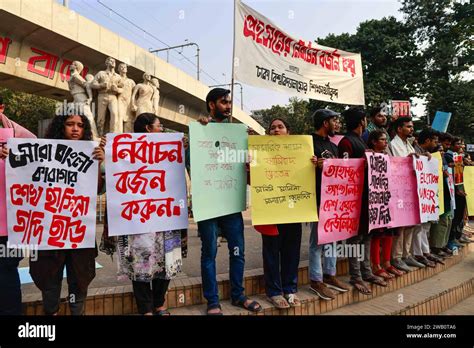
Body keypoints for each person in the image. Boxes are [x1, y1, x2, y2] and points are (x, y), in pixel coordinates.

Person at [20, 112, 104, 315]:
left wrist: (101, 163)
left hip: (78, 230)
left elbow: (97, 189)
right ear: (61, 126)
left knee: (79, 281)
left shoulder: (91, 154)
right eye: (70, 124)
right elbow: (24, 178)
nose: (75, 128)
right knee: (49, 281)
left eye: (80, 125)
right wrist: (10, 157)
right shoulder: (41, 153)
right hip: (50, 232)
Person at [194, 88, 262, 315]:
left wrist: (251, 158)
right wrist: (199, 134)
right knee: (209, 253)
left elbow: (250, 166)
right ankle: (212, 302)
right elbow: (190, 162)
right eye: (224, 102)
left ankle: (238, 295)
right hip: (209, 206)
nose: (228, 106)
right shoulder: (200, 131)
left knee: (237, 252)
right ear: (211, 105)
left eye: (229, 102)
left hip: (231, 205)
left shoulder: (237, 135)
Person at [115, 113, 184, 316]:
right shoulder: (124, 150)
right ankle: (145, 308)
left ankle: (159, 303)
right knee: (140, 263)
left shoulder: (168, 149)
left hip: (164, 217)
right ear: (147, 129)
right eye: (159, 126)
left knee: (166, 260)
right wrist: (106, 154)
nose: (162, 129)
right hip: (139, 219)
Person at [252, 118, 303, 309]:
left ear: (288, 132)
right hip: (271, 212)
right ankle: (274, 291)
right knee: (271, 253)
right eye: (272, 128)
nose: (276, 130)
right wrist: (251, 166)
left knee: (291, 252)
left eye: (280, 127)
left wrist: (313, 163)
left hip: (293, 211)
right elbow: (252, 181)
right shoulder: (260, 154)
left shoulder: (300, 152)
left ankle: (290, 289)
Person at [338, 107, 387, 295]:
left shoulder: (361, 141)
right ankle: (355, 276)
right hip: (354, 199)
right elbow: (344, 170)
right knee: (354, 238)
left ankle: (366, 272)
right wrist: (362, 165)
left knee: (367, 235)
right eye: (365, 119)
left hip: (368, 198)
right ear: (362, 122)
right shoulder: (346, 142)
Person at [308, 109, 351, 301]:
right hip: (317, 198)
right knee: (317, 241)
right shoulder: (308, 142)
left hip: (333, 200)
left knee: (333, 238)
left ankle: (330, 274)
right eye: (335, 120)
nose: (338, 124)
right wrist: (313, 164)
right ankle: (316, 280)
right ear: (325, 123)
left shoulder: (332, 145)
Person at [0, 96, 36, 315]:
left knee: (7, 274)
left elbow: (40, 161)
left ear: (1, 108)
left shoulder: (18, 134)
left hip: (8, 226)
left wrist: (17, 158)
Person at [367, 130, 404, 279]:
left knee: (389, 232)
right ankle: (376, 265)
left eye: (386, 139)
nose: (385, 142)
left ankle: (387, 263)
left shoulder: (388, 157)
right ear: (374, 142)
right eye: (382, 139)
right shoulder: (368, 155)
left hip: (388, 199)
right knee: (377, 234)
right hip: (375, 202)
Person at [390, 116, 420, 272]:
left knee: (411, 223)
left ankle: (407, 255)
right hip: (399, 191)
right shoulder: (392, 145)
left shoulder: (409, 144)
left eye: (412, 126)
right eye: (408, 127)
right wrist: (406, 160)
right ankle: (396, 257)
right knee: (401, 225)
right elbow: (393, 165)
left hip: (411, 189)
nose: (411, 129)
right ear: (399, 129)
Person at [445, 137, 468, 251]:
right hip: (454, 190)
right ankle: (450, 240)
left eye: (461, 144)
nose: (461, 146)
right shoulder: (449, 157)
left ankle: (454, 238)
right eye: (458, 144)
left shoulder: (458, 157)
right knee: (453, 217)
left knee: (458, 216)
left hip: (459, 189)